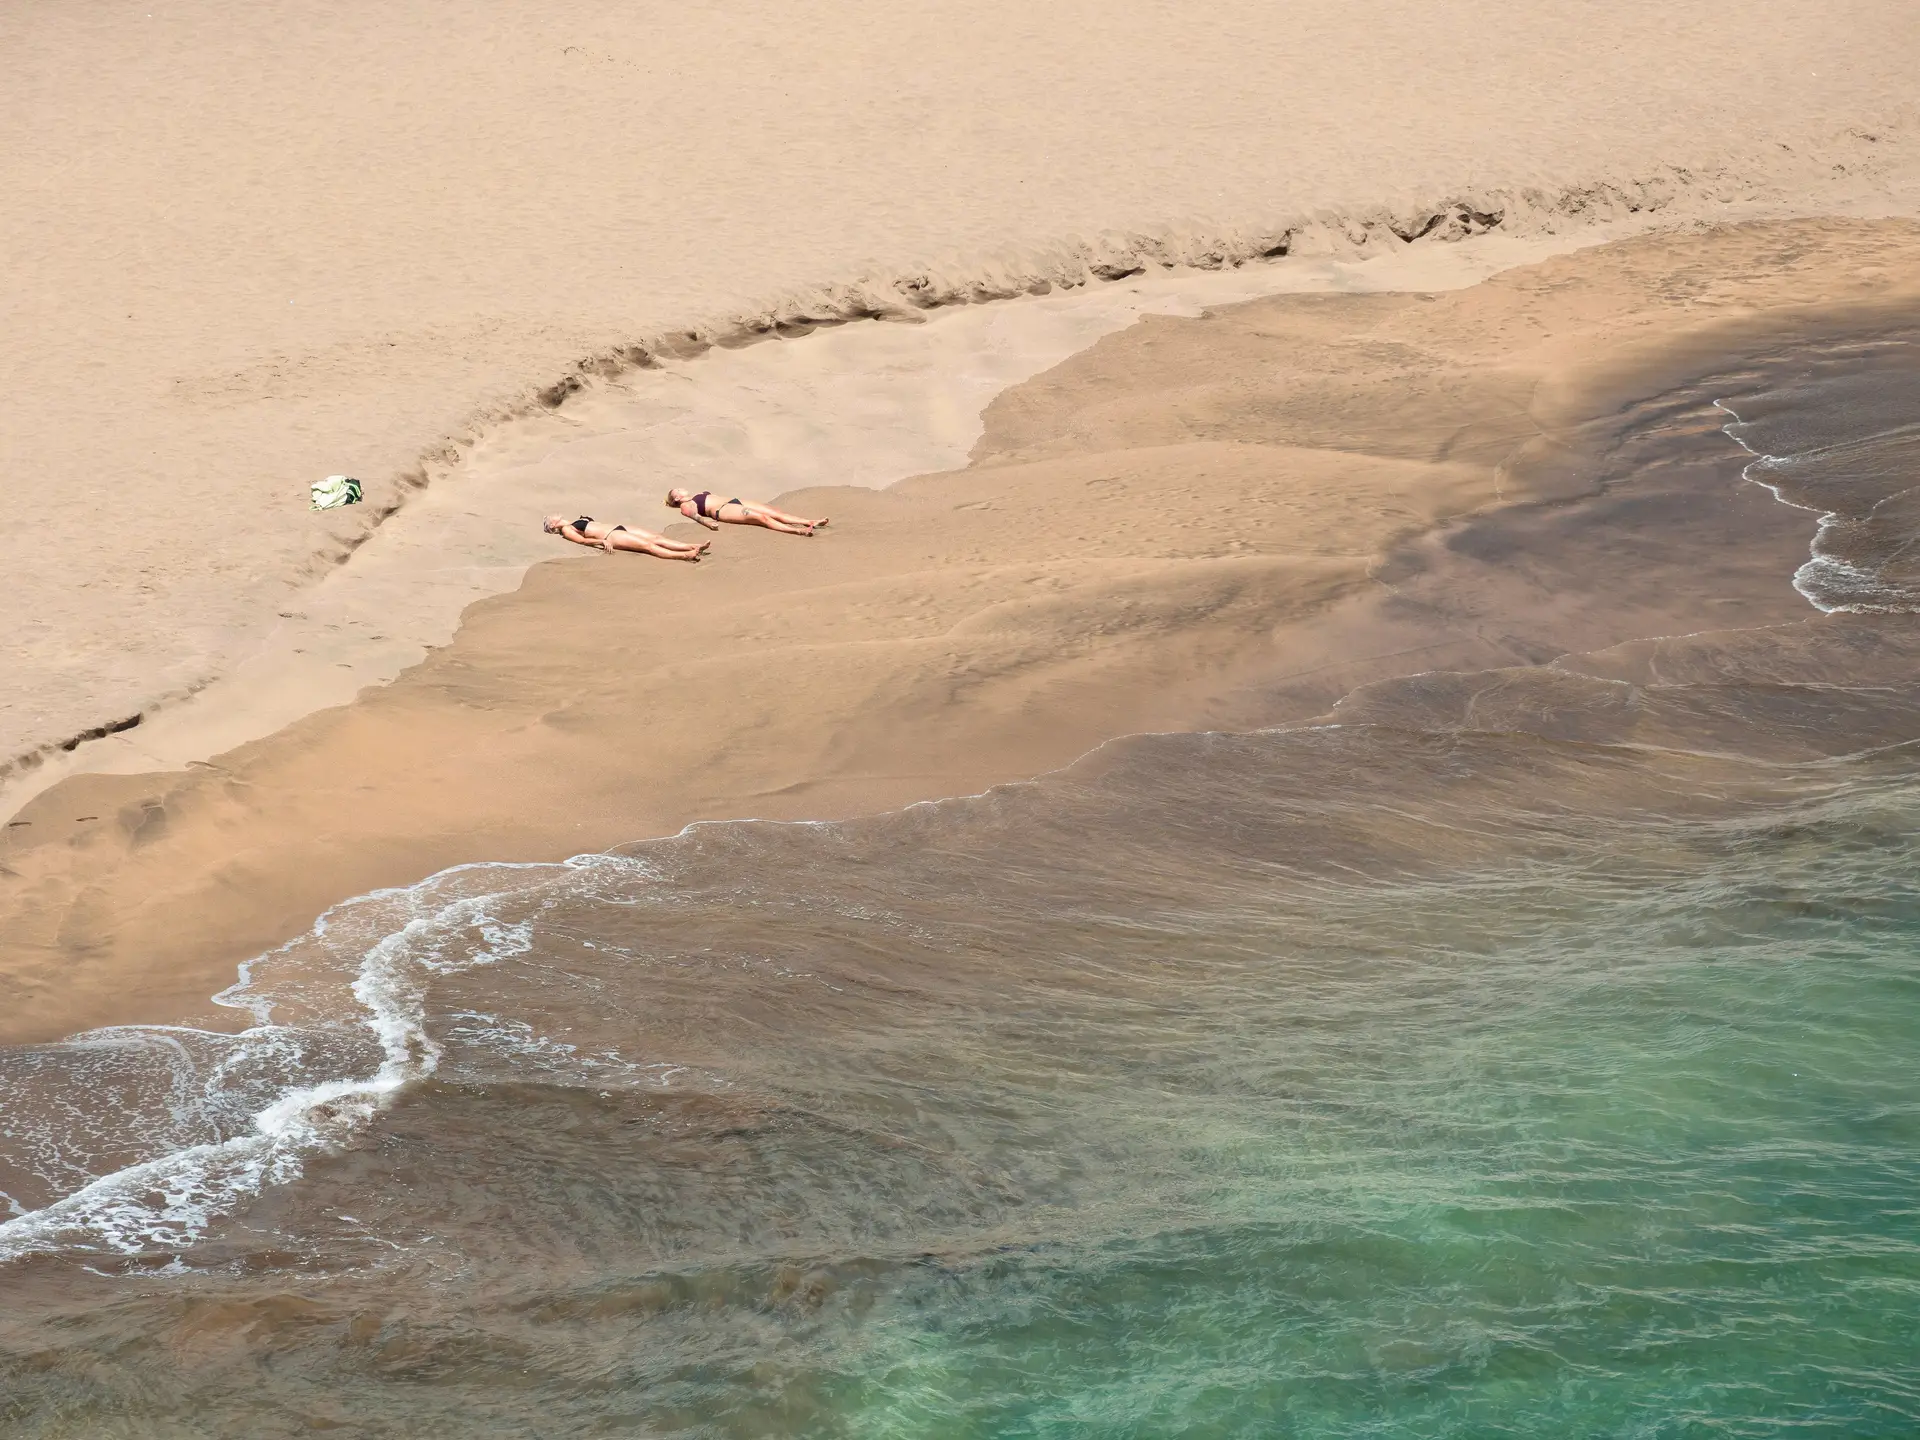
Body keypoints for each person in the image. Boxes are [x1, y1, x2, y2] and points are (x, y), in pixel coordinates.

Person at [543, 514, 708, 561]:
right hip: (611, 535)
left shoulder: (572, 522)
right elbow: (582, 540)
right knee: (648, 546)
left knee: (656, 538)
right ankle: (686, 555)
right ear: (553, 525)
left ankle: (691, 546)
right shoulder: (566, 529)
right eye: (553, 517)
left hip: (618, 527)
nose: (556, 515)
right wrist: (601, 541)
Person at [665, 488, 827, 535]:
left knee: (774, 511)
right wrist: (708, 525)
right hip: (723, 510)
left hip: (734, 501)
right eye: (677, 490)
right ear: (677, 498)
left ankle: (810, 521)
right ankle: (797, 531)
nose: (681, 488)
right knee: (762, 518)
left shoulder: (696, 494)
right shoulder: (685, 506)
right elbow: (695, 516)